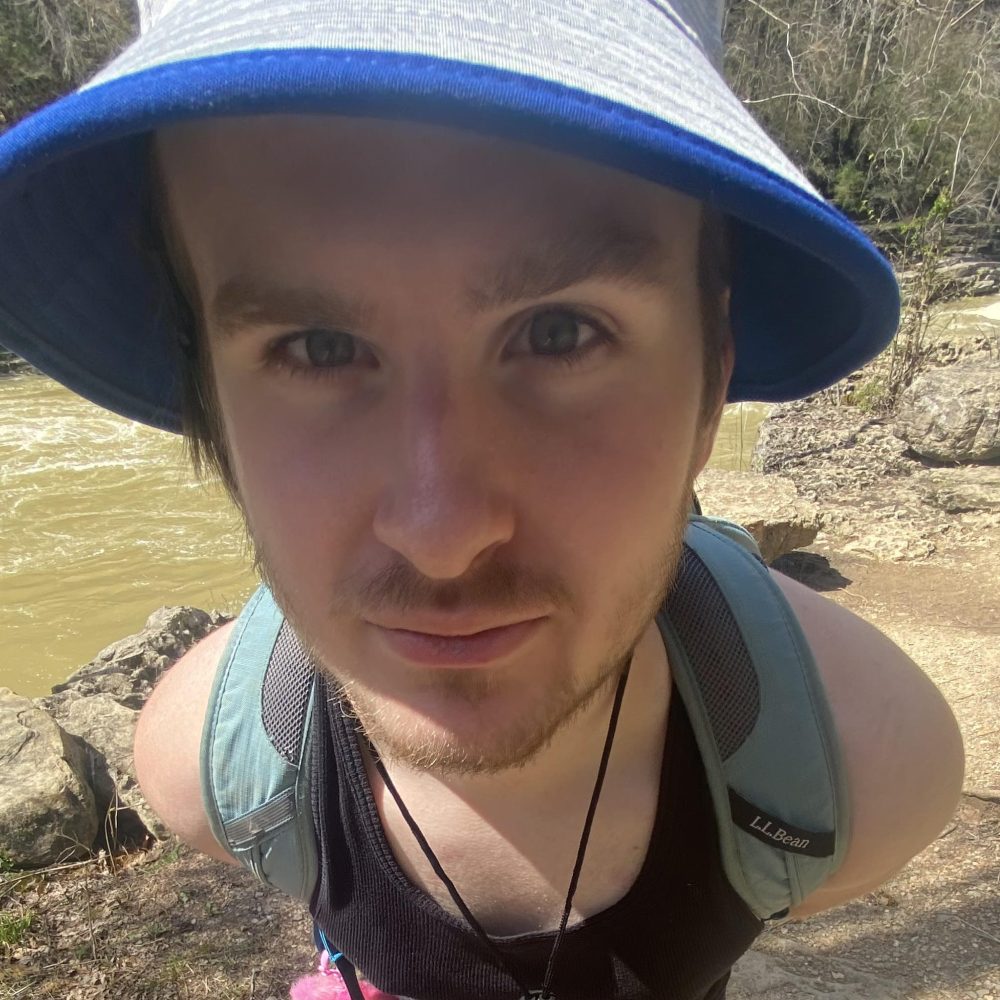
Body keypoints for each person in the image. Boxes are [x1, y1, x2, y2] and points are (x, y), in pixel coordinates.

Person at [0, 2, 963, 999]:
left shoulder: (849, 770)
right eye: (318, 348)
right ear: (211, 393)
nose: (442, 535)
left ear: (711, 373)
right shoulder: (223, 769)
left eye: (558, 332)